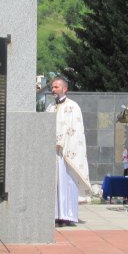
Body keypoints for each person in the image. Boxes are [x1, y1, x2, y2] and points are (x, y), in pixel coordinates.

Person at [46, 76, 90, 227]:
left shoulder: (73, 107)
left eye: (56, 87)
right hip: (53, 152)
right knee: (55, 184)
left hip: (67, 152)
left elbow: (76, 131)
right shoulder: (50, 107)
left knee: (67, 183)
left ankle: (68, 216)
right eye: (52, 87)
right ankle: (55, 215)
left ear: (65, 89)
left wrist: (63, 142)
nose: (53, 90)